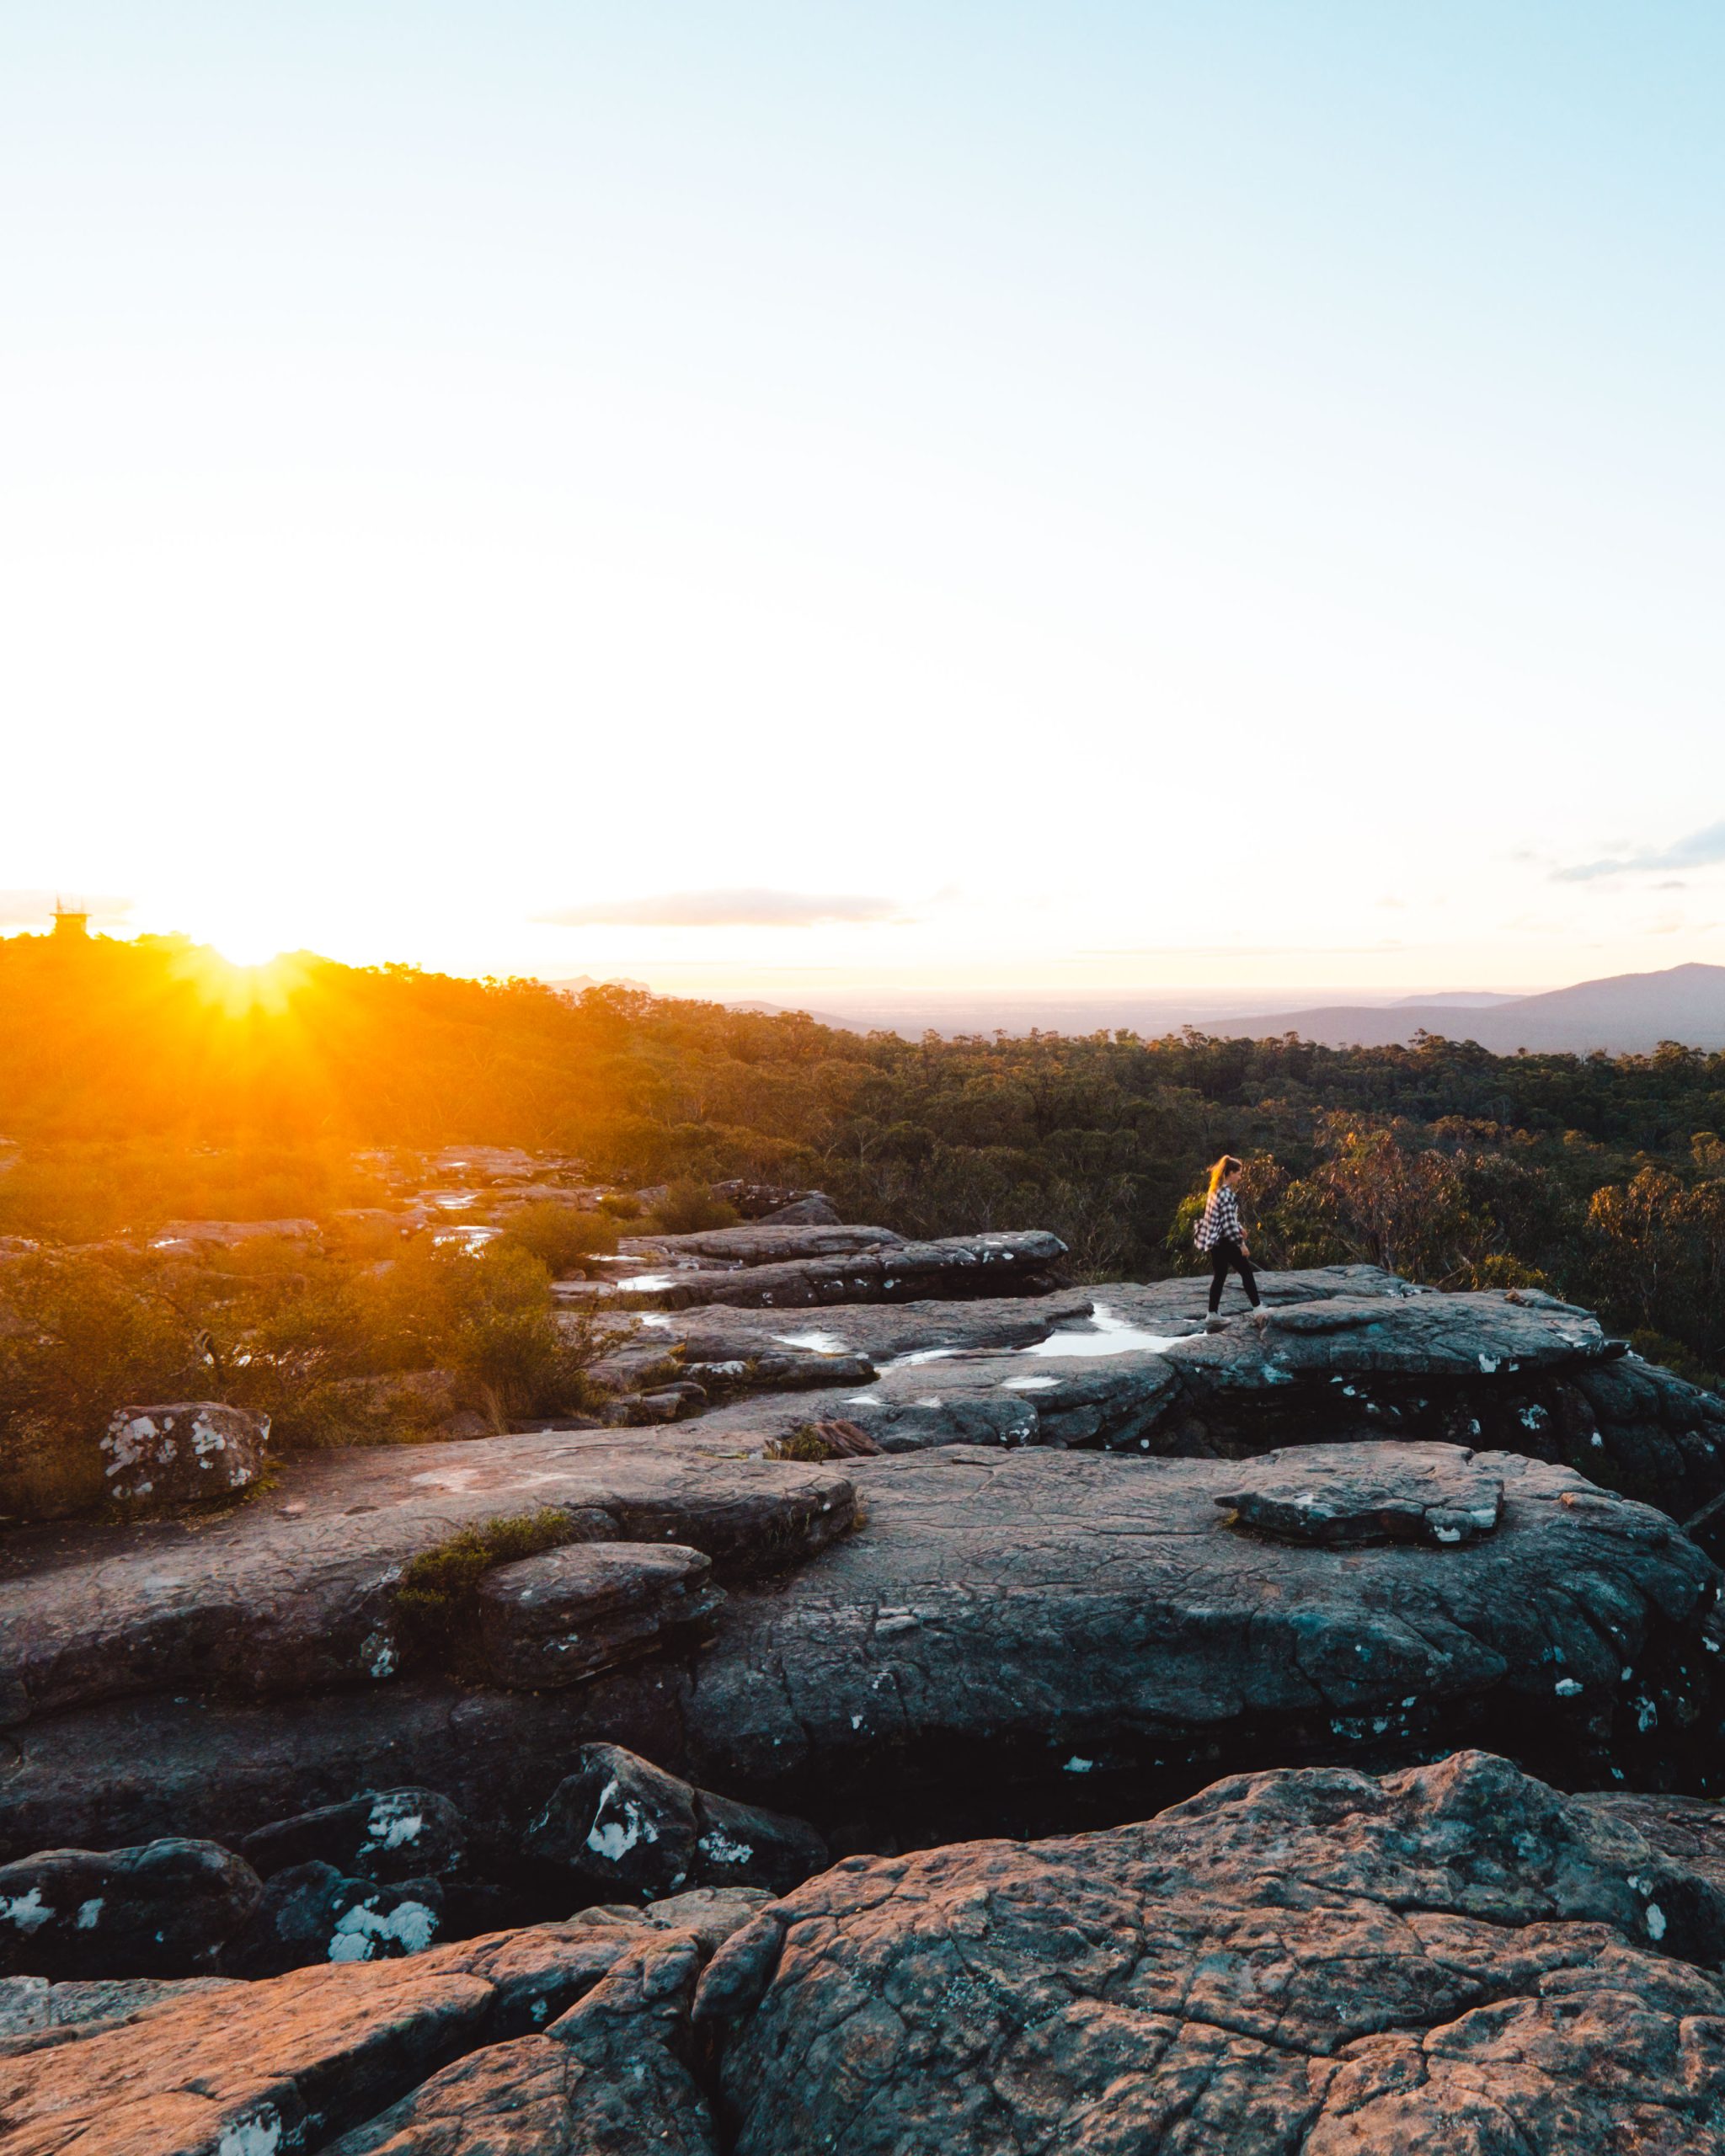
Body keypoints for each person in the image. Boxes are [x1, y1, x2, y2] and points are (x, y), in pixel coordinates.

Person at [1194, 1154, 1261, 1318]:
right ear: (1230, 1173)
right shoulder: (1227, 1195)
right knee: (1246, 1271)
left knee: (1220, 1275)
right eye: (1238, 1173)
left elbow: (1223, 1218)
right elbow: (1228, 1223)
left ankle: (1212, 1314)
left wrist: (1239, 1227)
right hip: (1226, 1241)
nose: (1240, 1176)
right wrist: (1241, 1244)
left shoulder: (1214, 1192)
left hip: (1215, 1241)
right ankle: (1258, 1308)